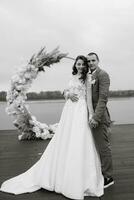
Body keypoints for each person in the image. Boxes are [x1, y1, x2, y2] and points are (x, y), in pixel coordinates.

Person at [0, 55, 104, 199]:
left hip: (80, 110)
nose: (80, 66)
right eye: (78, 64)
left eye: (82, 64)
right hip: (69, 110)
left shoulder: (87, 78)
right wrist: (67, 94)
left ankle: (77, 177)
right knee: (65, 137)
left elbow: (88, 98)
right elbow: (65, 91)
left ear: (85, 66)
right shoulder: (73, 76)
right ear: (75, 64)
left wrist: (91, 114)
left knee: (80, 139)